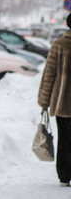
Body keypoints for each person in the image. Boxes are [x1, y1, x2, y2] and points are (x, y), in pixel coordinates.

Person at [38, 12, 71, 186]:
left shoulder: (58, 45)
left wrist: (44, 100)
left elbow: (48, 74)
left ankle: (64, 177)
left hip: (63, 103)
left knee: (64, 140)